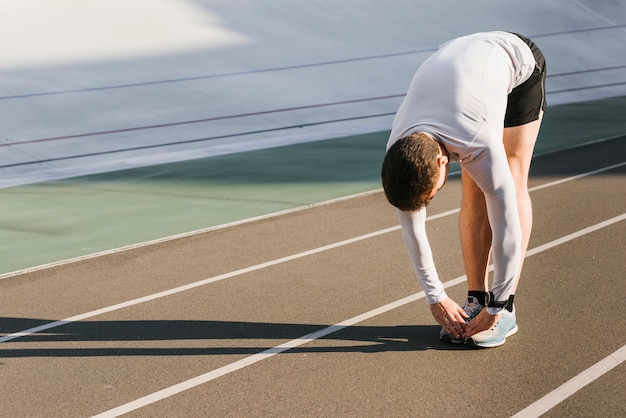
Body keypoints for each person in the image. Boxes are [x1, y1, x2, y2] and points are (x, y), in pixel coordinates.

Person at [381, 31, 546, 348]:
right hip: (461, 68)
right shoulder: (398, 150)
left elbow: (506, 216)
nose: (429, 202)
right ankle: (476, 296)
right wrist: (435, 296)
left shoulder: (476, 139)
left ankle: (506, 309)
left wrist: (499, 302)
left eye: (430, 196)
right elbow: (411, 228)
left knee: (508, 177)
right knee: (472, 189)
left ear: (443, 161)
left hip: (516, 61)